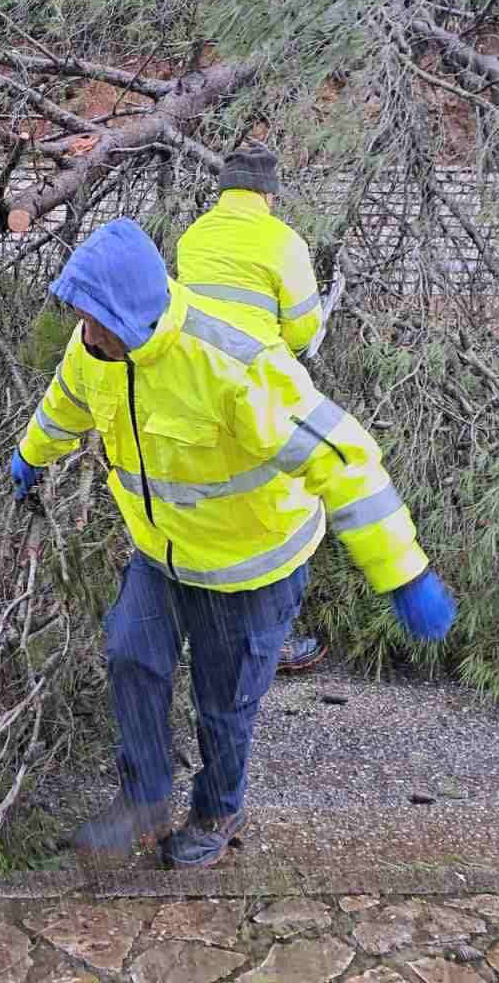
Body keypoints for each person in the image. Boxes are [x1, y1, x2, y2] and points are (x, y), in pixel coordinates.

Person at [10, 218, 455, 869]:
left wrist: (404, 573)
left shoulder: (232, 362)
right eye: (81, 316)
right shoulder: (94, 350)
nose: (87, 332)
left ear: (135, 313)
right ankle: (146, 803)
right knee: (131, 657)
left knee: (223, 704)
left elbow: (344, 458)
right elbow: (67, 403)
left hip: (251, 569)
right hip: (162, 554)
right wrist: (31, 455)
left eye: (98, 320)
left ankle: (217, 810)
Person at [175, 145, 329, 673]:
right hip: (259, 396)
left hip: (192, 394)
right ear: (269, 195)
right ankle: (268, 643)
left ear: (224, 190)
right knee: (273, 516)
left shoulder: (193, 237)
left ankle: (202, 630)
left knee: (206, 507)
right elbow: (305, 330)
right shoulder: (283, 241)